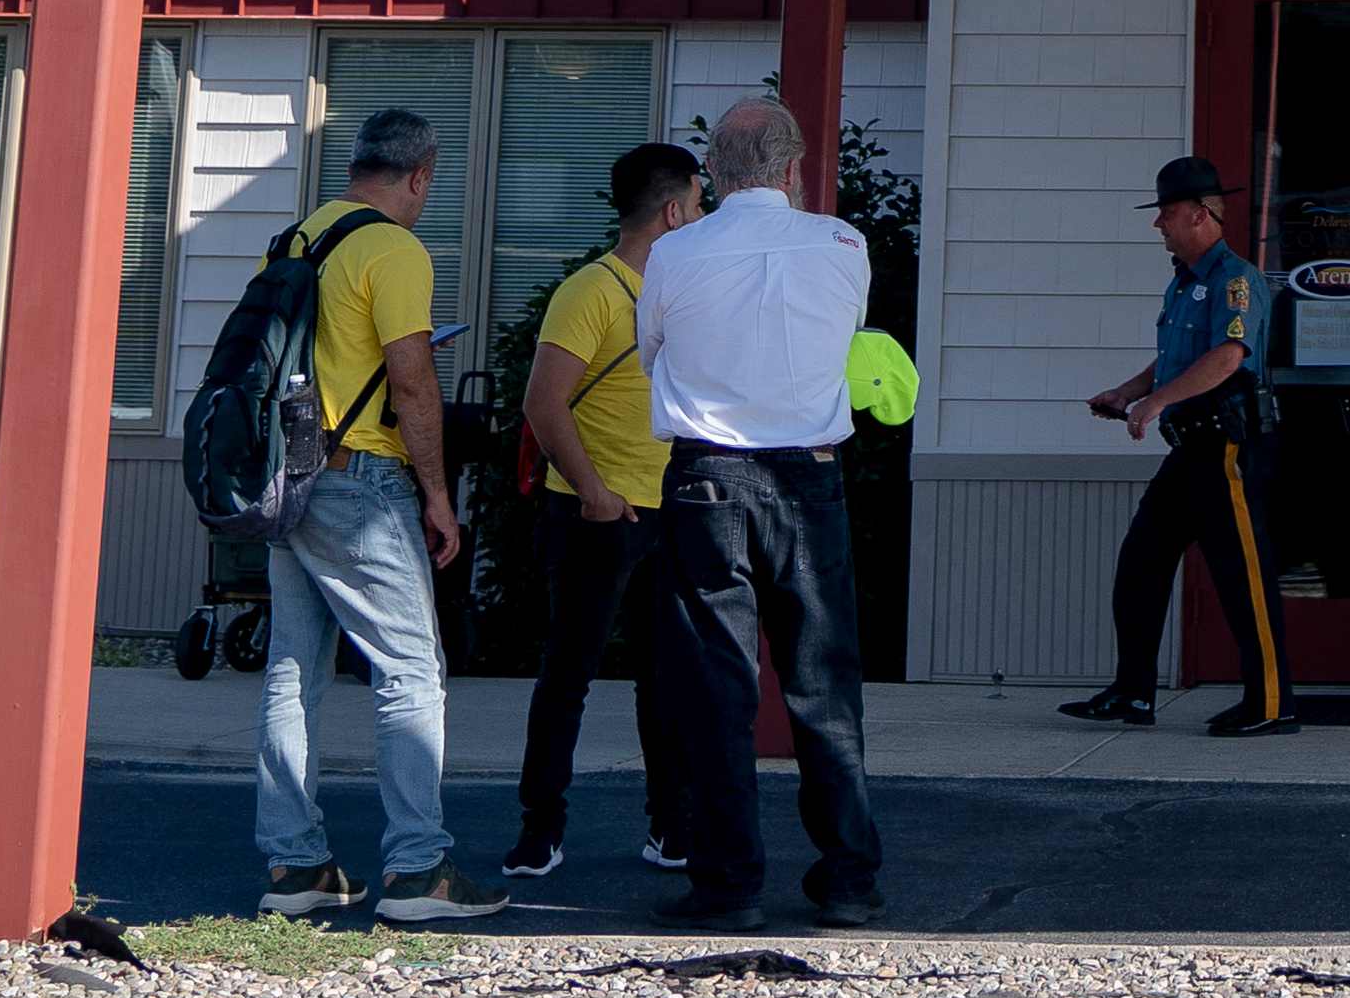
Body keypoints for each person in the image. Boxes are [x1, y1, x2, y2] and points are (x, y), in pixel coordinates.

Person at [252, 107, 507, 921]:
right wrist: (438, 495)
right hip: (361, 479)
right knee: (409, 671)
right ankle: (418, 870)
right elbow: (410, 384)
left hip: (288, 478)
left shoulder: (299, 237)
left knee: (294, 671)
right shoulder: (393, 248)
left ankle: (296, 867)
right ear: (421, 174)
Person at [635, 95, 884, 921]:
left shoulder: (674, 252)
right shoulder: (844, 244)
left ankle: (727, 880)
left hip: (706, 474)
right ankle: (849, 875)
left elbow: (652, 353)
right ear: (793, 168)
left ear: (715, 171)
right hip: (809, 476)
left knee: (717, 688)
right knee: (824, 682)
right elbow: (848, 332)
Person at [505, 140, 705, 884]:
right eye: (699, 199)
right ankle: (540, 829)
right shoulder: (591, 290)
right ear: (673, 209)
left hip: (671, 507)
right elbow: (542, 400)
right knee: (570, 673)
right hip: (597, 512)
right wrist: (592, 489)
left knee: (668, 677)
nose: (705, 212)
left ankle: (672, 826)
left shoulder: (682, 291)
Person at [1069, 153, 1293, 734]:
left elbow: (1227, 357)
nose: (1157, 224)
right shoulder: (1184, 282)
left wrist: (1157, 402)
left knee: (1244, 578)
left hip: (1227, 449)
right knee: (1140, 565)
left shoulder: (1235, 280)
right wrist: (1128, 391)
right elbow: (1174, 359)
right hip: (1189, 452)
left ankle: (1272, 703)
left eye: (1166, 212)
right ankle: (1134, 693)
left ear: (1199, 214)